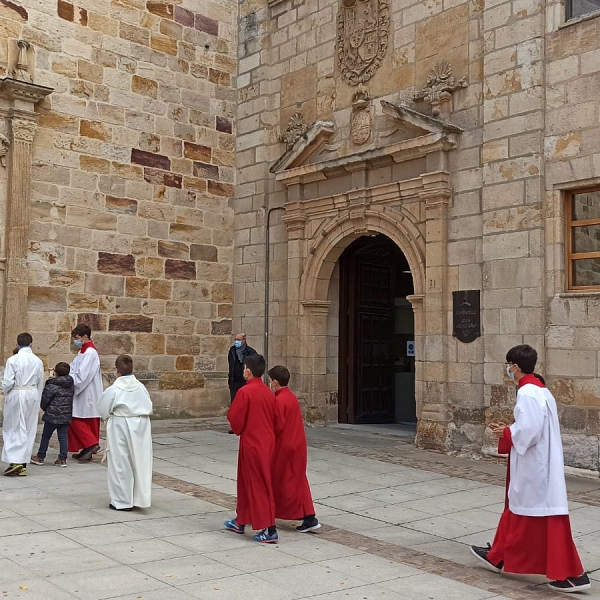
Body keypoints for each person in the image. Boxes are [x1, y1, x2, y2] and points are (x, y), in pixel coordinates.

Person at [471, 344, 590, 593]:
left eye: (509, 365)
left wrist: (506, 431)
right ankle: (498, 554)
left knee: (538, 513)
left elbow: (529, 430)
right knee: (518, 510)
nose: (508, 370)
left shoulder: (528, 392)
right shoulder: (540, 390)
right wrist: (511, 429)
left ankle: (570, 573)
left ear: (514, 366)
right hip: (538, 463)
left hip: (536, 466)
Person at [224, 353, 279, 543]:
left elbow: (236, 419)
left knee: (257, 484)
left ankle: (269, 528)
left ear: (248, 370)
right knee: (249, 482)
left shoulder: (246, 392)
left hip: (252, 442)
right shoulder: (268, 392)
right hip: (267, 441)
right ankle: (242, 520)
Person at [96, 355, 153, 511]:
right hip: (141, 425)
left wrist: (107, 416)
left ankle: (122, 501)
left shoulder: (114, 389)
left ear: (116, 370)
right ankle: (139, 498)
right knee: (140, 461)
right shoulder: (141, 387)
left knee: (120, 461)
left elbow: (103, 408)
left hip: (121, 424)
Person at [268, 365, 320, 533]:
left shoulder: (279, 400)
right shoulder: (291, 397)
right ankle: (309, 516)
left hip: (285, 446)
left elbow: (277, 425)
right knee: (298, 480)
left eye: (270, 381)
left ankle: (267, 512)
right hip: (297, 444)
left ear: (275, 382)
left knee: (281, 481)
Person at [2, 333, 45, 476]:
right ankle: (23, 463)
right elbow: (40, 381)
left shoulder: (13, 360)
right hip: (32, 393)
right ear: (31, 343)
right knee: (28, 428)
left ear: (17, 343)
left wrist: (6, 392)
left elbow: (8, 382)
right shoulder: (37, 361)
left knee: (14, 427)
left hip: (17, 392)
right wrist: (37, 399)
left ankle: (16, 461)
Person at [68, 324, 103, 462]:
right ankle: (86, 447)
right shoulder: (83, 351)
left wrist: (71, 382)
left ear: (85, 337)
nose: (75, 341)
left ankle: (90, 444)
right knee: (81, 418)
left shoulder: (90, 353)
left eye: (77, 338)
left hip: (86, 392)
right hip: (82, 391)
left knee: (77, 418)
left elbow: (83, 375)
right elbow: (74, 366)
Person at [30, 362, 74, 468]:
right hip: (65, 414)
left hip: (52, 415)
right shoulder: (70, 383)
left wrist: (45, 409)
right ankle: (62, 459)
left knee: (46, 436)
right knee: (63, 437)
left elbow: (45, 399)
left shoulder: (52, 385)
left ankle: (40, 456)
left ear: (56, 372)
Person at [226, 333, 256, 433]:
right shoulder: (232, 350)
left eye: (238, 340)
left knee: (245, 404)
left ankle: (247, 424)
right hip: (234, 380)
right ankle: (235, 426)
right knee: (235, 403)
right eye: (235, 339)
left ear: (244, 340)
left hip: (245, 381)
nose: (236, 342)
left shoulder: (250, 352)